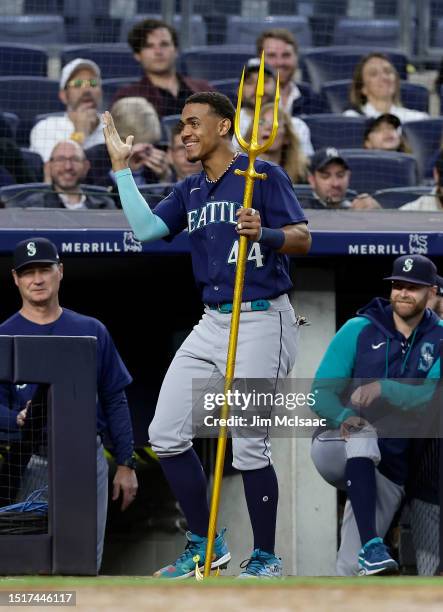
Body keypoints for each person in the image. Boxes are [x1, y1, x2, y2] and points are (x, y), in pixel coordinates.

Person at [102, 90, 311, 578]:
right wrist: (120, 169)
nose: (185, 133)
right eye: (181, 126)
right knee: (165, 433)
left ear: (224, 126)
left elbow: (303, 237)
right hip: (213, 320)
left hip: (263, 317)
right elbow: (146, 230)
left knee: (248, 445)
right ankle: (206, 542)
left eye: (194, 123)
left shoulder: (263, 174)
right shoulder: (191, 189)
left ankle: (264, 557)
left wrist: (267, 233)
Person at [0, 237, 138, 570]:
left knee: (83, 561)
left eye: (44, 270)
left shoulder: (91, 330)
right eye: (28, 272)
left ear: (60, 272)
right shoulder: (3, 335)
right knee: (22, 564)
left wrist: (126, 463)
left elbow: (114, 399)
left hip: (84, 458)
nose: (37, 279)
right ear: (15, 278)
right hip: (28, 459)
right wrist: (13, 419)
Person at [310, 254, 443, 576]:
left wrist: (385, 388)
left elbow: (432, 399)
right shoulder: (359, 328)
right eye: (398, 285)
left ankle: (365, 553)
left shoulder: (439, 337)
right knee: (362, 433)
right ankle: (373, 543)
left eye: (413, 287)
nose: (403, 292)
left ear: (431, 292)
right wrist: (345, 415)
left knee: (351, 567)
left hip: (389, 465)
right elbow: (318, 392)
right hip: (335, 445)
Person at [112, 18, 214, 117]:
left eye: (164, 44)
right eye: (149, 46)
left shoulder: (204, 89)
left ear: (176, 50)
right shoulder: (128, 97)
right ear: (138, 55)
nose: (158, 52)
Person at [86, 97, 171, 189]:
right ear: (118, 138)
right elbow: (96, 199)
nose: (143, 151)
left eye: (150, 144)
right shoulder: (93, 159)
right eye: (135, 144)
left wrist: (164, 179)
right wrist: (122, 168)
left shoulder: (158, 159)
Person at [235, 58, 313, 158]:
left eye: (265, 81)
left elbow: (304, 168)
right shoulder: (228, 125)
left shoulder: (297, 127)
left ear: (278, 88)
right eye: (250, 82)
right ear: (239, 91)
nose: (258, 88)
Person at [30, 59, 105, 163]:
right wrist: (79, 134)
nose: (87, 90)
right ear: (63, 95)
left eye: (93, 83)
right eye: (78, 84)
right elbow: (55, 172)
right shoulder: (46, 128)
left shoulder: (115, 127)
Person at [23, 141, 116, 210]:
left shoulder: (106, 205)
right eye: (61, 159)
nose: (68, 167)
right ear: (49, 166)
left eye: (75, 160)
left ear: (86, 166)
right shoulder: (34, 206)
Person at [344, 53, 429, 122]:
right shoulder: (352, 119)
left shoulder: (419, 119)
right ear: (363, 88)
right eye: (374, 74)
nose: (384, 77)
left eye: (388, 71)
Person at [256, 29, 322, 115]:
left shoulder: (313, 99)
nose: (280, 62)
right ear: (259, 60)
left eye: (286, 55)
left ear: (296, 58)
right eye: (271, 55)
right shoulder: (246, 99)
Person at [245, 102, 308, 184]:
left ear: (286, 137)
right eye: (261, 122)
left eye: (276, 124)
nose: (268, 127)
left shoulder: (301, 176)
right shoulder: (236, 168)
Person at [302, 148, 381, 209]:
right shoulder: (300, 213)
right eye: (326, 176)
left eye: (340, 175)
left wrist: (376, 214)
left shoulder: (357, 209)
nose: (335, 184)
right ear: (312, 180)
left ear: (348, 177)